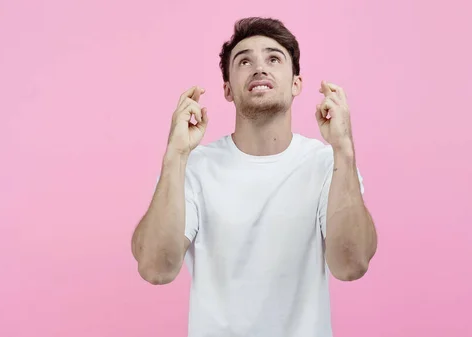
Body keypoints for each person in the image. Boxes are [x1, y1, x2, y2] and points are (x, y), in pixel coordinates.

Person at [131, 16, 378, 337]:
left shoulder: (327, 164)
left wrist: (343, 149)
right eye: (244, 60)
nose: (259, 68)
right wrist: (175, 156)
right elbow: (155, 268)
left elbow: (350, 265)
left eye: (274, 58)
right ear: (227, 89)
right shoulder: (194, 167)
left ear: (296, 83)